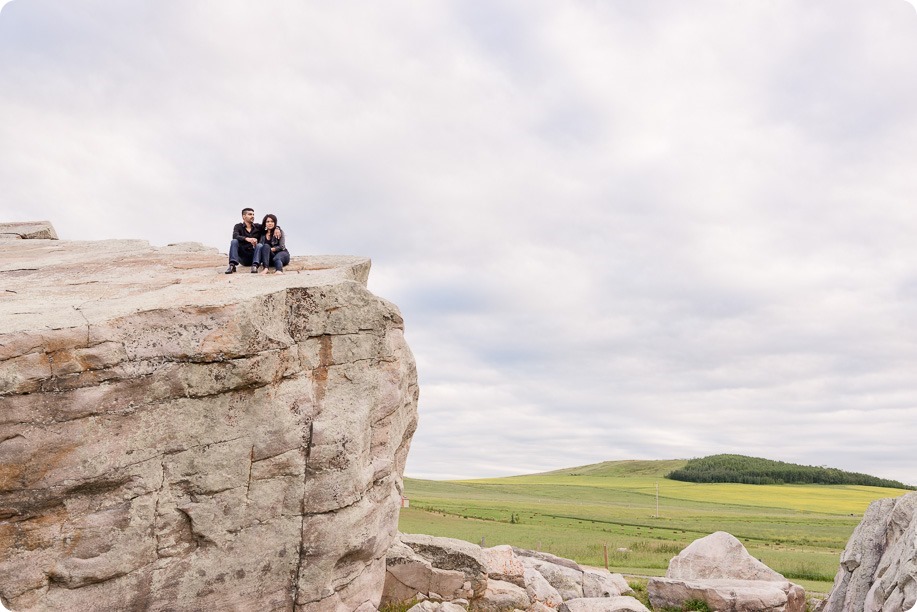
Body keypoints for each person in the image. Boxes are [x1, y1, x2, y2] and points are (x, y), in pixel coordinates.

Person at [225, 207, 265, 274]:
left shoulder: (258, 227)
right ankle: (232, 266)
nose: (252, 216)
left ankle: (255, 266)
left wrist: (277, 228)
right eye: (250, 214)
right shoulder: (238, 226)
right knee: (234, 241)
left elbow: (270, 227)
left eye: (253, 214)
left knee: (260, 245)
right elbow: (235, 236)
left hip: (255, 256)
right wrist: (247, 239)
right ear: (244, 216)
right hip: (243, 257)